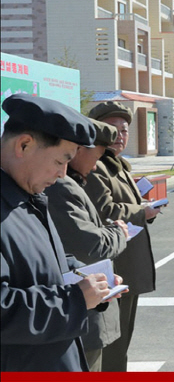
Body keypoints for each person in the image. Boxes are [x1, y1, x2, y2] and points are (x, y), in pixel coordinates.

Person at [1, 94, 123, 371]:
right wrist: (75, 300)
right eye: (60, 161)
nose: (62, 174)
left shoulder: (27, 196)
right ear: (24, 145)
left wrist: (87, 276)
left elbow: (42, 260)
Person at [45, 118, 129, 371]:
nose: (95, 166)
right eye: (98, 155)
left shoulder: (70, 182)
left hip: (86, 298)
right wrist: (118, 233)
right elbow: (88, 245)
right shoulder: (61, 187)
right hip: (80, 307)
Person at [84, 101, 161, 371]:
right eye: (112, 129)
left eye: (124, 130)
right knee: (113, 343)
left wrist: (142, 202)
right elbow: (105, 210)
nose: (119, 135)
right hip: (114, 266)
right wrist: (142, 210)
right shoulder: (95, 166)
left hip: (128, 261)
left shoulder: (118, 164)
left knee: (122, 338)